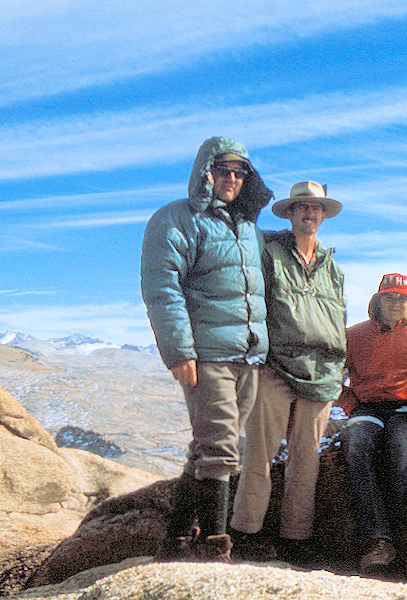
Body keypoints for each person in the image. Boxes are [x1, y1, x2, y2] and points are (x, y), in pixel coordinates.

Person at [141, 136, 273, 562]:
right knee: (221, 448)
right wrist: (180, 351)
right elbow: (163, 289)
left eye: (240, 172)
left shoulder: (247, 229)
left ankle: (177, 539)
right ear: (205, 172)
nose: (231, 179)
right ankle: (215, 548)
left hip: (248, 355)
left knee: (207, 445)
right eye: (223, 170)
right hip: (208, 353)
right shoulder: (176, 220)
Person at [230, 181, 347, 563]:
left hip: (322, 374)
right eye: (302, 207)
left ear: (323, 215)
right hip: (275, 368)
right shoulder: (269, 253)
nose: (309, 214)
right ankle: (246, 533)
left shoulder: (334, 269)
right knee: (259, 455)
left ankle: (296, 539)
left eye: (315, 208)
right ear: (290, 213)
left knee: (306, 460)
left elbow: (337, 318)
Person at [337, 273, 407, 572]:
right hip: (367, 406)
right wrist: (348, 403)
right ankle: (377, 539)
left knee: (402, 448)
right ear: (377, 300)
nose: (397, 302)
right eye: (390, 296)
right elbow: (332, 373)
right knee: (355, 446)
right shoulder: (353, 335)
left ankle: (387, 535)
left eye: (403, 297)